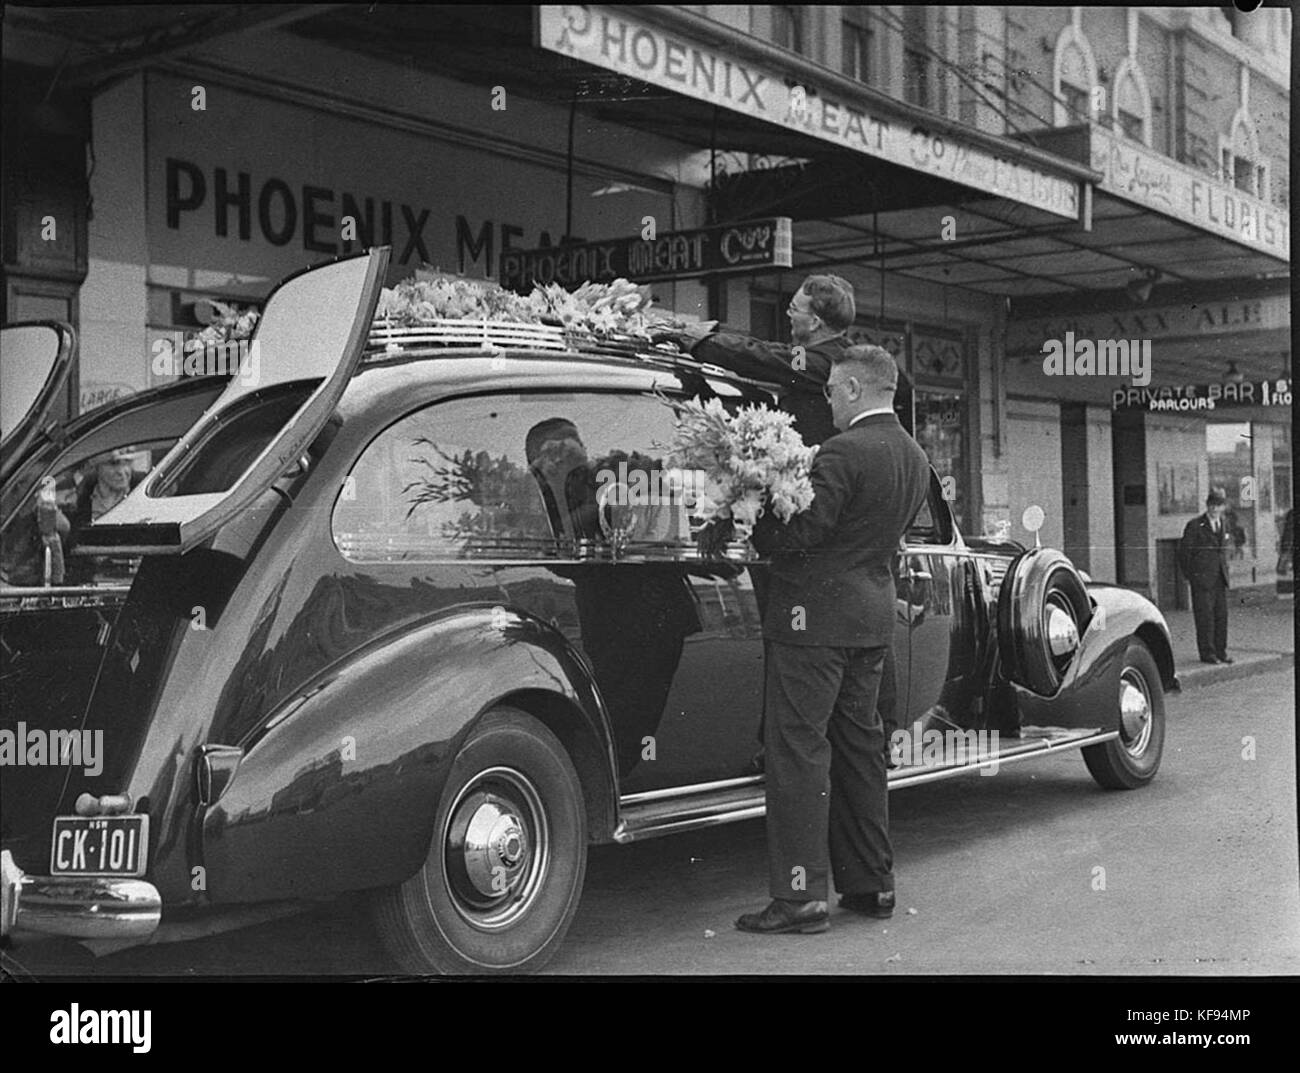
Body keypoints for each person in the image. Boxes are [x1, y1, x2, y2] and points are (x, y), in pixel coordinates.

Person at [735, 345, 929, 935]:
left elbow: (803, 532)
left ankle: (799, 897)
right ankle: (872, 885)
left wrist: (752, 513)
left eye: (828, 392)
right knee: (859, 749)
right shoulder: (914, 456)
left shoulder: (843, 452)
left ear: (851, 390)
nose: (826, 404)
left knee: (798, 751)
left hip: (811, 621)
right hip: (870, 621)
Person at [525, 419, 702, 776]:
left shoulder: (615, 473)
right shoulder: (544, 491)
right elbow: (555, 547)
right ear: (536, 459)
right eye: (553, 451)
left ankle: (617, 778)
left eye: (571, 445)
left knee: (637, 719)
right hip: (606, 615)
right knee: (613, 718)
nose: (564, 456)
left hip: (654, 612)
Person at [665, 274, 856, 447]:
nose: (789, 315)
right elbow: (775, 352)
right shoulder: (833, 353)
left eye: (793, 309)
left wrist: (699, 341)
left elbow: (763, 357)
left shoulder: (822, 363)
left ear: (814, 322)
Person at [1176, 487, 1233, 665]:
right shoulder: (1195, 525)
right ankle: (1208, 654)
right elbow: (1184, 553)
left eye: (1218, 505)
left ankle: (1221, 652)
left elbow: (1224, 550)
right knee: (1205, 618)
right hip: (1202, 580)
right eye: (1212, 505)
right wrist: (1193, 576)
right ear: (1207, 506)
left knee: (1220, 617)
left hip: (1219, 578)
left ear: (1223, 507)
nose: (1215, 509)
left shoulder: (1224, 523)